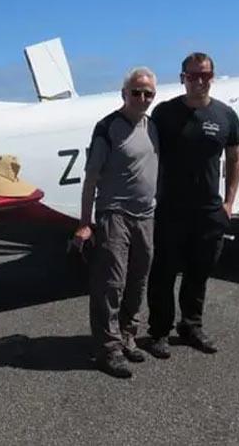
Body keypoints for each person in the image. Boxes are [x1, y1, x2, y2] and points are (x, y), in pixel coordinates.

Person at [146, 52, 239, 359]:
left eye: (204, 75)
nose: (199, 81)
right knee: (162, 272)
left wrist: (228, 201)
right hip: (171, 207)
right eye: (192, 75)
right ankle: (159, 331)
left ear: (212, 77)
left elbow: (235, 156)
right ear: (182, 78)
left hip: (209, 209)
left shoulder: (226, 115)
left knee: (199, 272)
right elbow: (145, 151)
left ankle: (191, 326)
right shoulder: (164, 113)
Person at [73, 67, 159, 378]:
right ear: (124, 93)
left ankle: (127, 335)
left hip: (146, 215)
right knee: (110, 284)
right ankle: (107, 350)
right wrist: (85, 223)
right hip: (114, 216)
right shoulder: (107, 127)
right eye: (136, 92)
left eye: (148, 93)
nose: (142, 98)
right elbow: (91, 179)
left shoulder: (153, 126)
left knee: (138, 280)